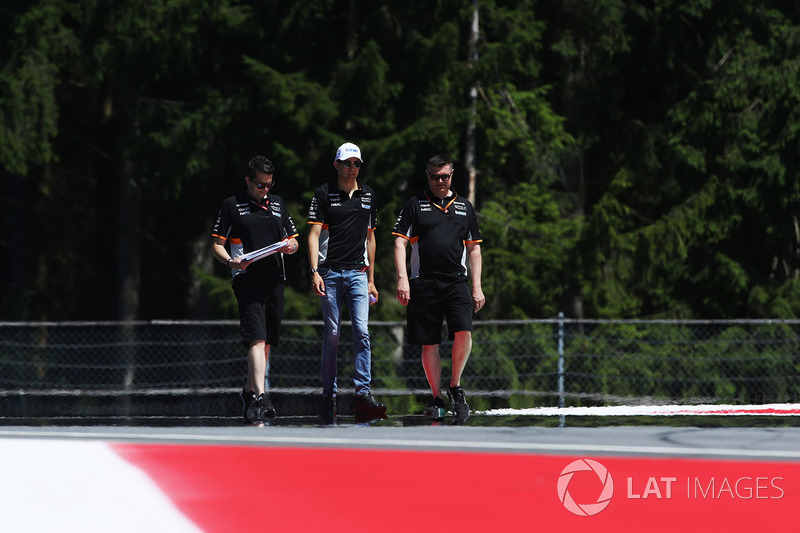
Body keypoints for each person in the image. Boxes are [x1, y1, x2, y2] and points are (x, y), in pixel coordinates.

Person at [392, 152, 485, 424]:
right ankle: (436, 397)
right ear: (428, 176)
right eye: (435, 177)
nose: (440, 182)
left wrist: (477, 287)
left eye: (444, 176)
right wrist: (402, 278)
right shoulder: (414, 205)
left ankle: (455, 386)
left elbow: (475, 249)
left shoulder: (464, 207)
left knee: (464, 333)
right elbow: (399, 242)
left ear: (452, 175)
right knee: (429, 342)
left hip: (457, 280)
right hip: (424, 282)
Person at [211, 155, 300, 425]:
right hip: (246, 277)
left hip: (274, 278)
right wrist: (230, 261)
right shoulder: (231, 205)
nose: (265, 190)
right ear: (248, 180)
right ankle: (262, 397)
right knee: (256, 338)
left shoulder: (278, 204)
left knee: (268, 341)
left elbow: (294, 240)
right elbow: (216, 244)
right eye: (260, 185)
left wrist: (290, 247)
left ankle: (249, 391)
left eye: (269, 184)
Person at [307, 142, 386, 424]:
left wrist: (372, 279)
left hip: (358, 274)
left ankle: (362, 395)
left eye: (356, 164)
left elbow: (371, 238)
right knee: (333, 334)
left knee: (363, 332)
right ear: (337, 165)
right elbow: (314, 234)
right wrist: (314, 271)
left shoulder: (368, 195)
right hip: (329, 272)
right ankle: (329, 395)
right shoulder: (324, 193)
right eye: (347, 163)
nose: (352, 169)